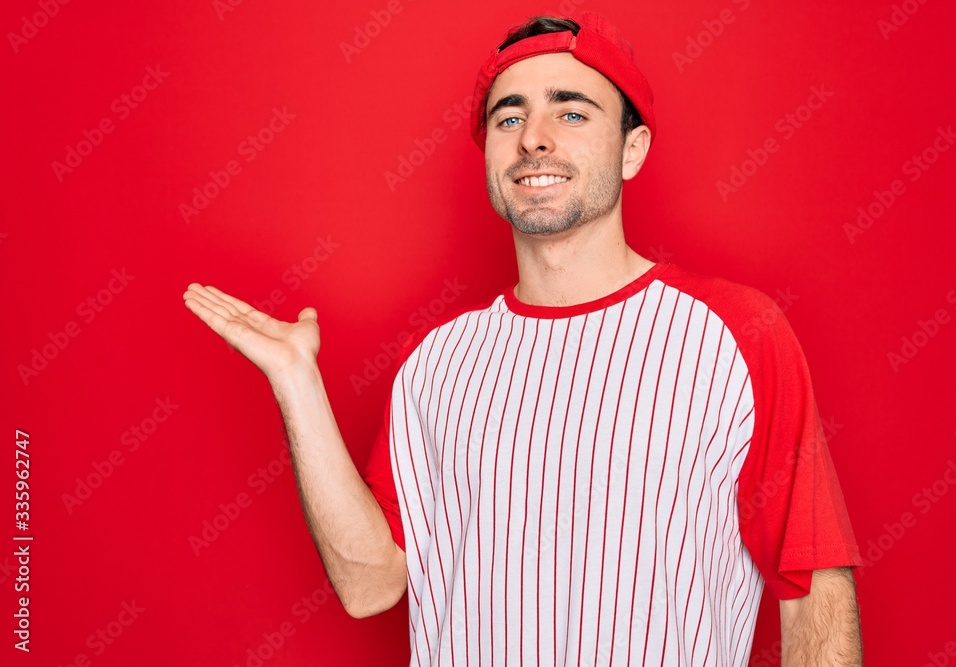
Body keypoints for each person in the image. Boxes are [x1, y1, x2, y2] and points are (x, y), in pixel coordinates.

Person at [183, 11, 863, 666]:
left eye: (571, 111)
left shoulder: (738, 334)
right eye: (509, 116)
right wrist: (296, 381)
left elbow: (815, 592)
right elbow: (370, 585)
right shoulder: (435, 362)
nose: (533, 137)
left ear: (632, 149)